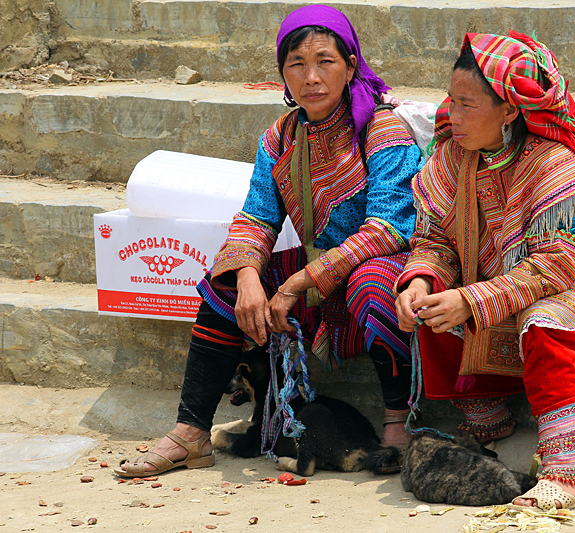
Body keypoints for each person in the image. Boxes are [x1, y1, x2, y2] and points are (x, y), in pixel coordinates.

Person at [116, 5, 423, 477]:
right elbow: (256, 217)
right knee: (221, 289)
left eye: (326, 61)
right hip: (315, 273)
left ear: (351, 65)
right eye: (297, 64)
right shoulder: (279, 137)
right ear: (283, 73)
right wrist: (246, 275)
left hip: (381, 265)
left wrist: (298, 282)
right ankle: (192, 433)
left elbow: (387, 228)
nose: (312, 77)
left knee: (374, 286)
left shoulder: (381, 129)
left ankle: (398, 421)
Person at [395, 31, 575, 510]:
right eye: (451, 99)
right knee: (430, 304)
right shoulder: (451, 158)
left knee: (544, 321)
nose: (451, 113)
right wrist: (419, 280)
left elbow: (550, 272)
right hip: (509, 285)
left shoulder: (559, 169)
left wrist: (470, 300)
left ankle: (567, 469)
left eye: (468, 103)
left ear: (511, 110)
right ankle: (488, 417)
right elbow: (435, 241)